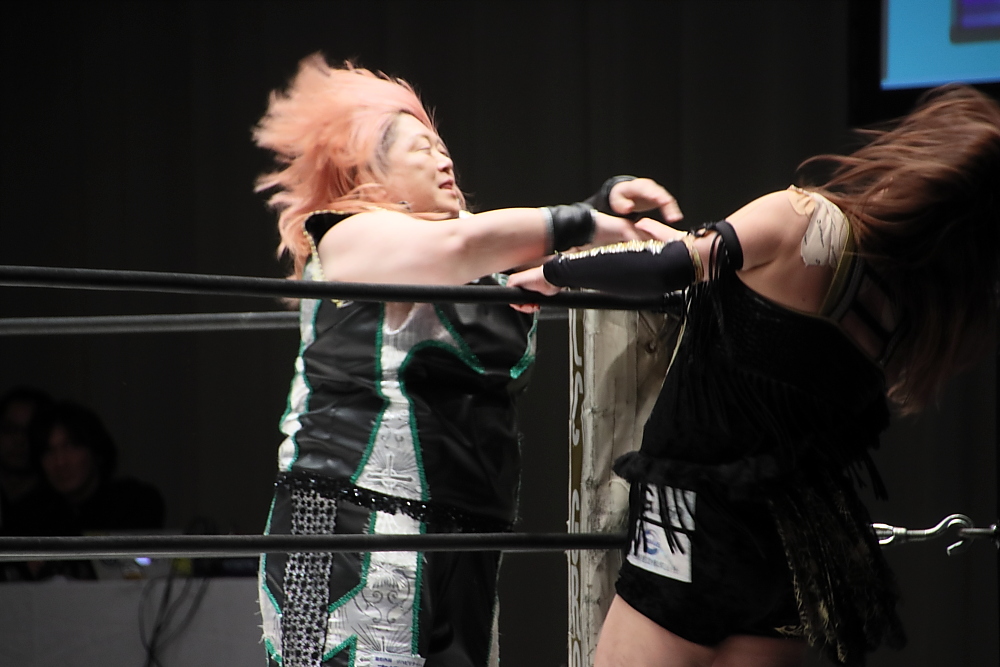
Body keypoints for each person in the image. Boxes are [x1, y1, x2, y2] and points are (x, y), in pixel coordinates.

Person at [508, 84, 1000, 667]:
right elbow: (770, 330)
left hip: (691, 521)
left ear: (912, 159)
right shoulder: (901, 317)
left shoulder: (804, 218)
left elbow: (671, 267)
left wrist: (552, 273)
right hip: (791, 551)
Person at [252, 54, 681, 667]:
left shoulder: (474, 253)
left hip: (463, 533)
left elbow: (496, 249)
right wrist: (585, 222)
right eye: (421, 148)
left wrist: (603, 207)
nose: (444, 159)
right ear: (369, 171)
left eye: (444, 147)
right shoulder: (347, 233)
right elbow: (461, 245)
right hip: (352, 520)